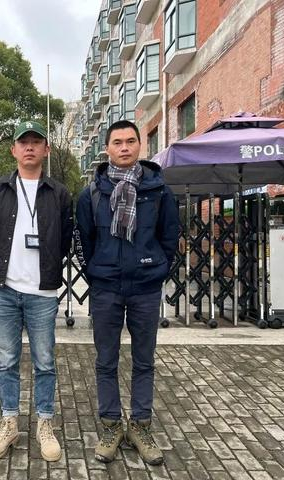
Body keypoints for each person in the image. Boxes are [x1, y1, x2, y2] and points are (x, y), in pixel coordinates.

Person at [74, 120, 178, 465]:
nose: (124, 147)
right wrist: (96, 269)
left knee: (144, 360)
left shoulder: (159, 192)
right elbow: (83, 240)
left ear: (139, 145)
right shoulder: (91, 193)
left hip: (145, 288)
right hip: (106, 287)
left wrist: (157, 268)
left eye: (130, 141)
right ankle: (110, 426)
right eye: (117, 142)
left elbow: (169, 237)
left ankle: (140, 426)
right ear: (107, 148)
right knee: (106, 360)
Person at [0, 120, 73, 462]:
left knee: (44, 362)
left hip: (42, 294)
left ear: (46, 149)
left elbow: (65, 239)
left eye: (36, 141)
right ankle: (9, 423)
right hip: (4, 291)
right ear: (14, 150)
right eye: (23, 142)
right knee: (7, 361)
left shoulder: (59, 193)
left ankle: (45, 423)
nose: (30, 147)